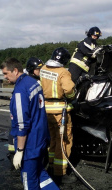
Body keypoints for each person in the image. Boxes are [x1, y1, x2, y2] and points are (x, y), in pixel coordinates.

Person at [1, 58, 59, 190]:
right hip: (40, 140)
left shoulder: (20, 90)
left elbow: (22, 124)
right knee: (41, 175)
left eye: (5, 73)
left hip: (29, 146)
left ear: (15, 71)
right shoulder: (34, 82)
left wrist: (20, 151)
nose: (5, 77)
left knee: (29, 181)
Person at [40, 47, 77, 184]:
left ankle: (50, 164)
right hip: (60, 111)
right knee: (64, 141)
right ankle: (60, 172)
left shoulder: (43, 68)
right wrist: (72, 97)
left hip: (46, 110)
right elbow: (69, 90)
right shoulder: (63, 72)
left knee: (52, 139)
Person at [7, 57, 44, 165]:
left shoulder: (30, 81)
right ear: (32, 69)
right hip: (24, 117)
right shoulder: (30, 82)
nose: (41, 71)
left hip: (31, 119)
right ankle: (13, 154)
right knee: (18, 129)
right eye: (39, 69)